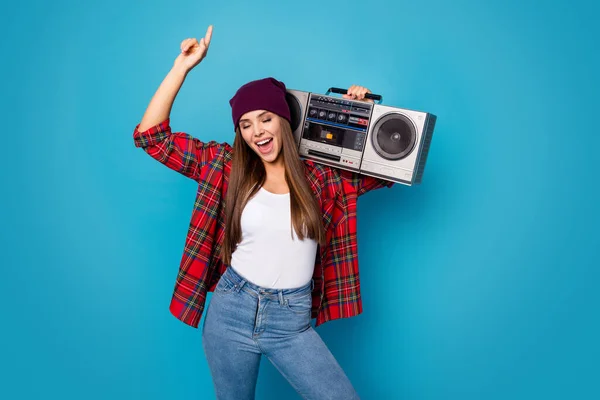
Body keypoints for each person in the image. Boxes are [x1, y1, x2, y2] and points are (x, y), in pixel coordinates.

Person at [133, 25, 394, 400]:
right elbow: (152, 137)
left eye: (265, 118)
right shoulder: (225, 166)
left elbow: (386, 172)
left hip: (291, 321)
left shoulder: (322, 177)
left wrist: (362, 115)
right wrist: (182, 67)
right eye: (245, 124)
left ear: (283, 120)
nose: (257, 131)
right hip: (231, 311)